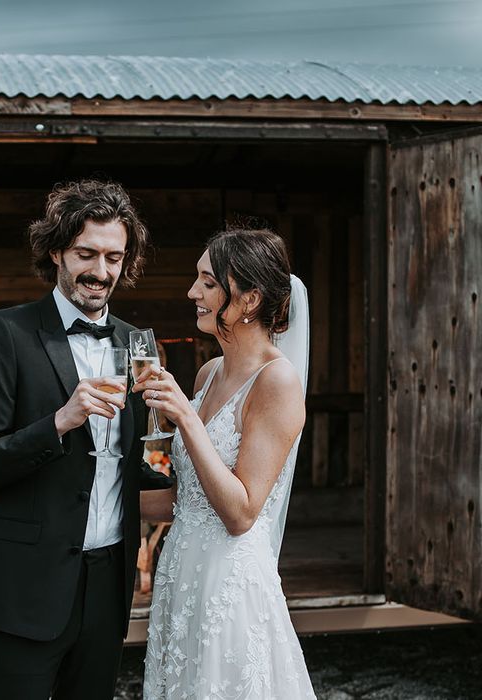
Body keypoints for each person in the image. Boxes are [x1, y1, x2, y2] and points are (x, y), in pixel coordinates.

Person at [0, 179, 171, 700]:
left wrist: (177, 445)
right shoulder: (5, 333)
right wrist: (58, 421)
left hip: (109, 581)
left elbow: (145, 460)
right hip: (26, 583)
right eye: (86, 254)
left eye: (114, 258)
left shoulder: (137, 342)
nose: (101, 272)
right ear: (56, 250)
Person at [135, 226, 316, 699]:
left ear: (250, 298)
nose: (193, 292)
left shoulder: (277, 382)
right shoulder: (209, 372)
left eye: (209, 282)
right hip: (181, 575)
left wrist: (185, 419)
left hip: (229, 586)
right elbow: (186, 497)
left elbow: (240, 512)